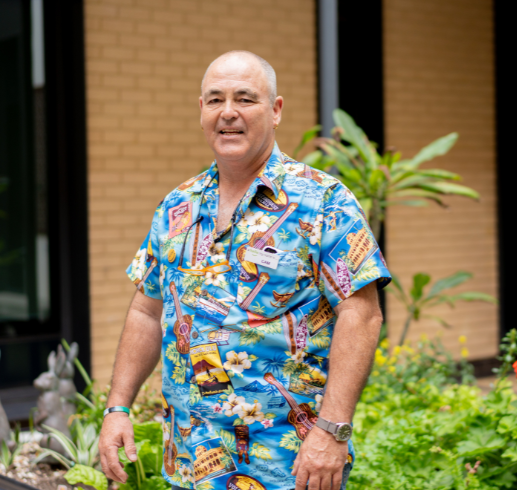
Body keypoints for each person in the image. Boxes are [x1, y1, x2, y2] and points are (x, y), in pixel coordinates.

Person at [98, 50, 390, 490]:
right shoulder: (178, 205)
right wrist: (117, 407)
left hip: (288, 463)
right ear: (201, 112)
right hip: (191, 459)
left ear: (275, 111)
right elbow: (145, 311)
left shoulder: (323, 201)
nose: (228, 113)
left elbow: (362, 315)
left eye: (245, 99)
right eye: (215, 100)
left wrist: (333, 431)